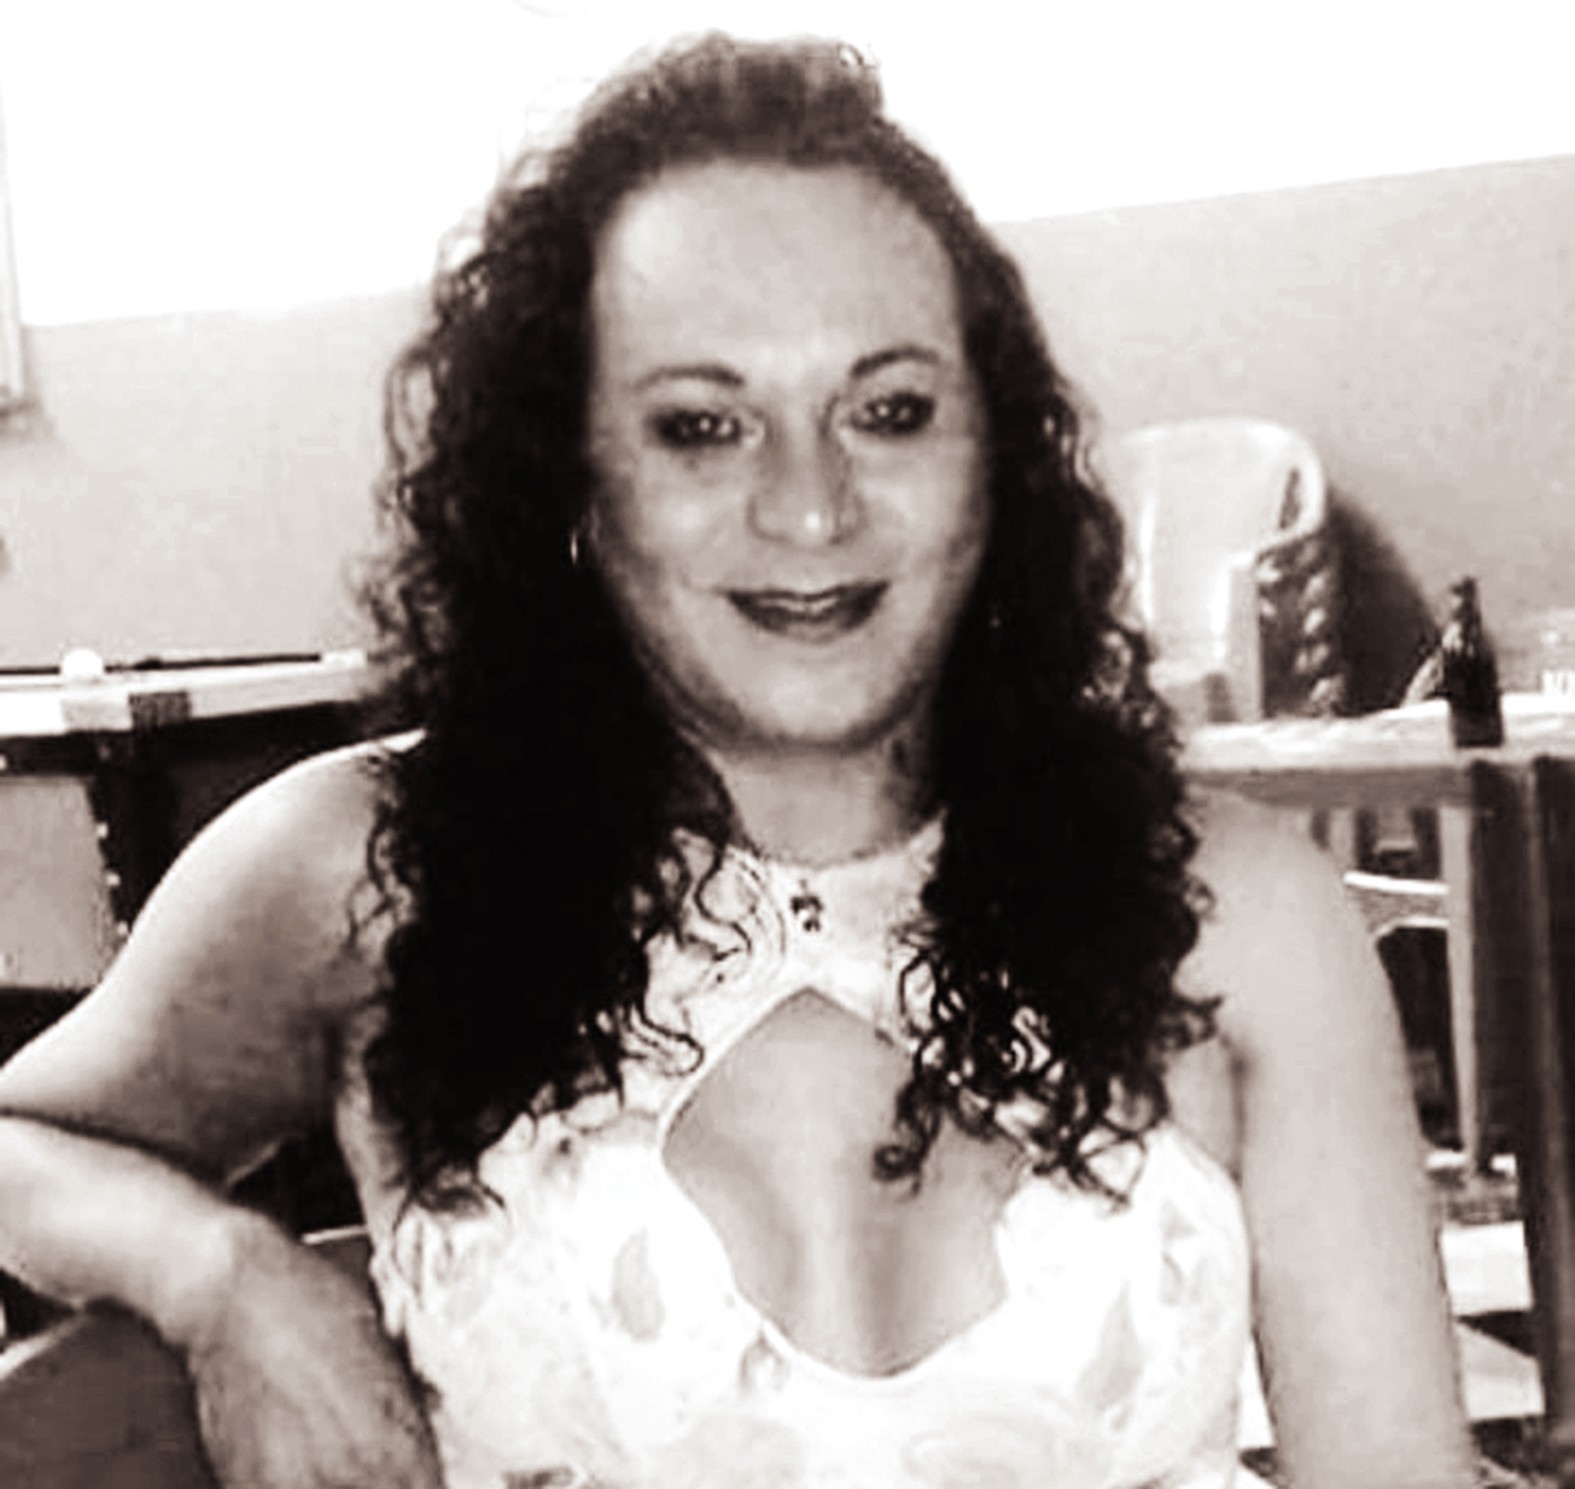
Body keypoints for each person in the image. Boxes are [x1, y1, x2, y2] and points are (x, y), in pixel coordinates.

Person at [0, 33, 1475, 1489]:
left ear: (995, 459)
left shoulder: (1239, 907)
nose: (812, 507)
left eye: (889, 412)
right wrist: (220, 1272)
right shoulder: (374, 869)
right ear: (573, 477)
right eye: (702, 428)